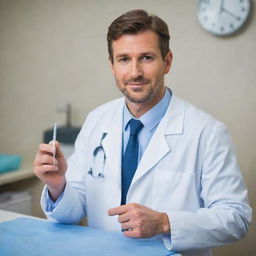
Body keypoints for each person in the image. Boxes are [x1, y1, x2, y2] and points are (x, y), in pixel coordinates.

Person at [33, 9, 252, 256]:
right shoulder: (97, 120)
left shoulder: (207, 132)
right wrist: (57, 186)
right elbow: (72, 211)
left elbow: (236, 217)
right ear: (112, 65)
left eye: (146, 58)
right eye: (124, 59)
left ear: (167, 62)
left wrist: (165, 222)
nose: (135, 72)